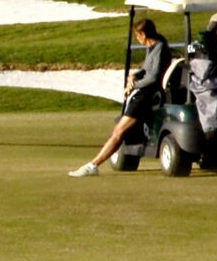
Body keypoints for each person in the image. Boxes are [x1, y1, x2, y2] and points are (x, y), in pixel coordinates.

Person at [70, 18, 168, 177]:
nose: (137, 39)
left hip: (146, 96)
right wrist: (134, 76)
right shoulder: (152, 47)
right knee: (119, 130)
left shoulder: (160, 47)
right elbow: (146, 70)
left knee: (118, 131)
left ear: (143, 34)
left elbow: (154, 77)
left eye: (137, 35)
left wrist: (134, 86)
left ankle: (93, 165)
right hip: (142, 92)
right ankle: (94, 164)